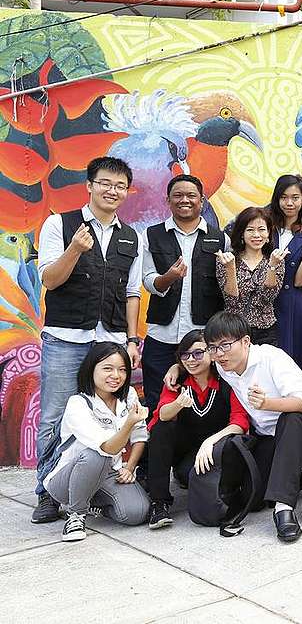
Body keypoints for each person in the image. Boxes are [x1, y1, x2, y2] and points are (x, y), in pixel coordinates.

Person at [32, 156, 144, 525]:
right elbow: (49, 279)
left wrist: (130, 340)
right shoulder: (59, 224)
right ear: (89, 185)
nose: (112, 191)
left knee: (108, 414)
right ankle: (47, 492)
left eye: (120, 186)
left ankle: (97, 481)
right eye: (105, 183)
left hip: (109, 340)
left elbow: (131, 293)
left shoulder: (131, 236)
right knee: (53, 416)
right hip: (66, 337)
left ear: (126, 191)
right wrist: (75, 249)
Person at [167, 311, 302, 542]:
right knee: (252, 499)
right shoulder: (224, 367)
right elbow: (195, 364)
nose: (219, 354)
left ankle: (284, 509)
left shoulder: (271, 358)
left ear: (245, 341)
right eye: (213, 348)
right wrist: (176, 368)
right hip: (268, 438)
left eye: (225, 345)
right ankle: (292, 476)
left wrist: (267, 403)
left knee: (289, 417)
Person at [44, 343, 150, 541]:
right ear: (91, 368)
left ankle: (93, 505)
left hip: (109, 472)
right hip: (69, 477)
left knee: (137, 512)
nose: (116, 376)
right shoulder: (78, 403)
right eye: (107, 368)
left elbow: (140, 436)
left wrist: (130, 468)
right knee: (97, 455)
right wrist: (128, 423)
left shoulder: (129, 396)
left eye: (122, 370)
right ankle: (75, 514)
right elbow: (107, 448)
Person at [141, 175, 227, 415]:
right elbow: (148, 281)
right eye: (178, 195)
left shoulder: (220, 238)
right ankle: (157, 450)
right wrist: (168, 277)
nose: (185, 200)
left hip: (201, 338)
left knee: (201, 405)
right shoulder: (151, 235)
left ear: (202, 201)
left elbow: (226, 285)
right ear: (168, 200)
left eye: (191, 195)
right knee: (158, 402)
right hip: (161, 337)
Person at [145, 329, 250, 528]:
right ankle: (159, 503)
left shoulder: (227, 380)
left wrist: (210, 441)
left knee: (188, 474)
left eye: (198, 353)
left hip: (213, 447)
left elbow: (240, 422)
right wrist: (178, 404)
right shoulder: (178, 382)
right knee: (161, 428)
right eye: (185, 355)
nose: (191, 360)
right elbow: (162, 414)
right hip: (184, 446)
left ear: (212, 355)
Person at [269, 174, 302, 380]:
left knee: (294, 360)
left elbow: (300, 281)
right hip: (262, 302)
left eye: (295, 197)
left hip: (292, 304)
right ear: (277, 199)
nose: (289, 203)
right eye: (284, 197)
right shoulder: (264, 229)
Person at [217, 206, 287, 345]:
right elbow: (232, 301)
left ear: (268, 234)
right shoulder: (227, 259)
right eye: (250, 230)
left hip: (265, 331)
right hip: (233, 330)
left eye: (261, 229)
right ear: (241, 233)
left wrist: (272, 266)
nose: (256, 235)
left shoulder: (276, 259)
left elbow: (267, 298)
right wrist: (230, 268)